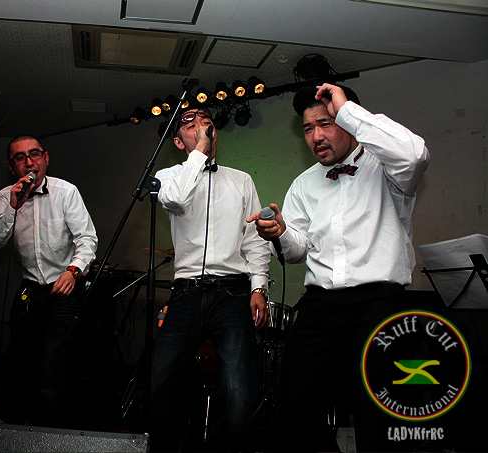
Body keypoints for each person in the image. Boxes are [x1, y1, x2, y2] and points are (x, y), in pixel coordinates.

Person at [247, 83, 429, 451]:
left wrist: (348, 112)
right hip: (321, 303)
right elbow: (297, 250)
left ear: (348, 121)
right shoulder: (304, 184)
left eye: (326, 124)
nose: (316, 137)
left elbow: (415, 155)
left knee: (376, 406)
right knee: (296, 397)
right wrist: (281, 233)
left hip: (378, 301)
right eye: (308, 128)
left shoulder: (388, 168)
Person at [150, 108, 271, 450]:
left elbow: (254, 239)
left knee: (239, 389)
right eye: (191, 125)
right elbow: (175, 199)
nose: (203, 128)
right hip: (186, 292)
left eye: (207, 123)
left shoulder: (241, 179)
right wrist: (198, 155)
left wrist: (259, 286)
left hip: (232, 293)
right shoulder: (169, 176)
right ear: (178, 142)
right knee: (159, 381)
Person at [0, 135, 98, 428]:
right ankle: (10, 426)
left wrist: (73, 271)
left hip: (64, 287)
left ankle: (49, 431)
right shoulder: (6, 195)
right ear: (12, 167)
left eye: (34, 154)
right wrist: (12, 207)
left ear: (45, 158)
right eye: (20, 157)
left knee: (52, 363)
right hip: (29, 289)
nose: (29, 161)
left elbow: (87, 239)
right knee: (16, 359)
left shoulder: (66, 192)